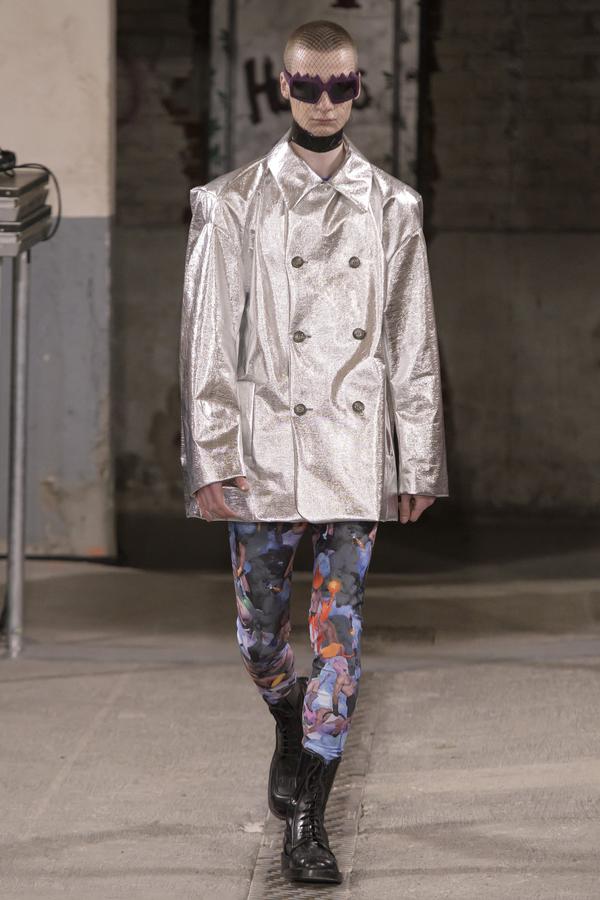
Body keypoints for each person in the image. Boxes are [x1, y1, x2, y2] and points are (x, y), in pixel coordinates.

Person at [179, 18, 449, 886]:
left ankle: (309, 822)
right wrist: (211, 454)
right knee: (260, 636)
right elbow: (208, 341)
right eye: (308, 86)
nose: (324, 102)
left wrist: (418, 460)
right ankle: (290, 722)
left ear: (358, 88)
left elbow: (411, 341)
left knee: (340, 630)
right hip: (263, 448)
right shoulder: (230, 203)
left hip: (354, 452)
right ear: (284, 88)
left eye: (339, 87)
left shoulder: (394, 207)